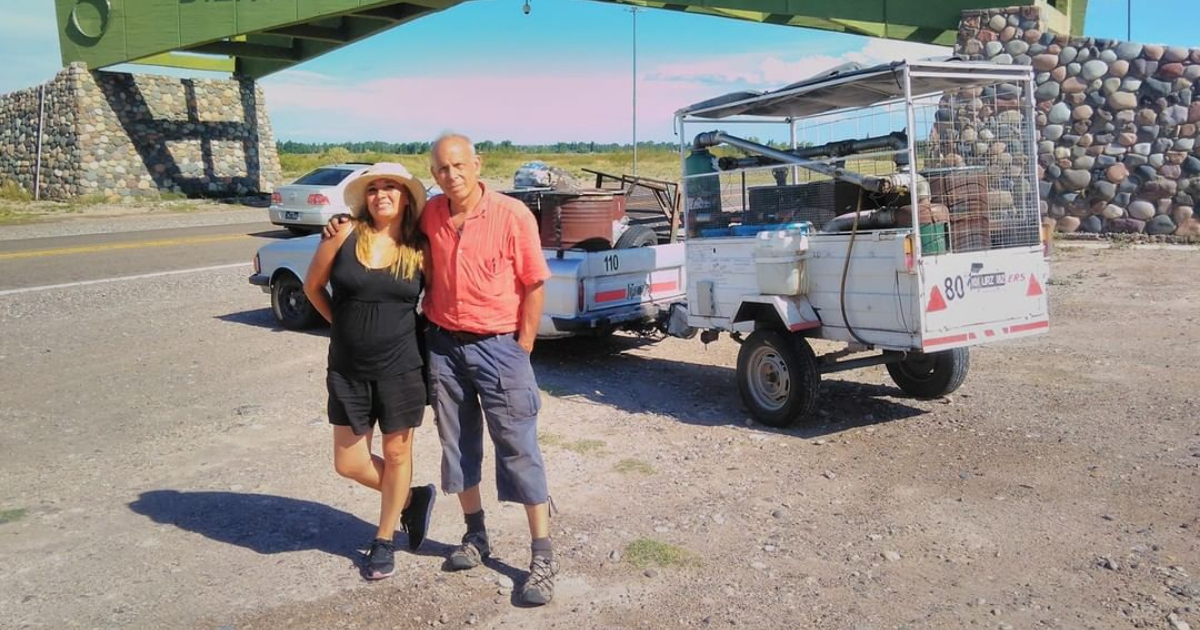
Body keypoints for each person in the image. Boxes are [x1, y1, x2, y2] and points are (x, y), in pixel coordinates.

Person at [324, 134, 558, 605]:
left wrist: (522, 348)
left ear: (477, 164)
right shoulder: (430, 214)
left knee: (517, 447)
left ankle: (542, 555)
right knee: (457, 445)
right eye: (441, 170)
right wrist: (341, 222)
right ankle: (476, 536)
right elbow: (382, 225)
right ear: (433, 176)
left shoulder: (512, 215)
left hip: (498, 347)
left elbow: (534, 284)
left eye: (457, 166)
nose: (450, 175)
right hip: (443, 346)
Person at [303, 162, 436, 581]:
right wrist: (340, 326)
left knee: (397, 454)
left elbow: (437, 298)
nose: (382, 194)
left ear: (405, 198)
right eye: (374, 188)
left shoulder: (420, 247)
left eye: (391, 188)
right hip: (347, 367)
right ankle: (411, 499)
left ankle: (383, 539)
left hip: (402, 367)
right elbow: (312, 287)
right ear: (366, 198)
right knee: (349, 462)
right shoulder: (342, 233)